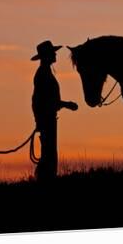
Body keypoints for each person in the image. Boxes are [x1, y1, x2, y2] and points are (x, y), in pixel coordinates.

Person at [31, 40, 78, 182]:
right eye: (52, 52)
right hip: (47, 118)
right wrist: (67, 104)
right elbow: (43, 100)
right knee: (49, 153)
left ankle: (45, 179)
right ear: (47, 56)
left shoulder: (44, 73)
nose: (55, 54)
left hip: (47, 117)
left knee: (48, 151)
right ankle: (46, 180)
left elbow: (39, 100)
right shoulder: (43, 74)